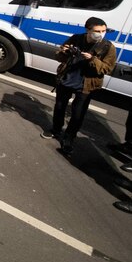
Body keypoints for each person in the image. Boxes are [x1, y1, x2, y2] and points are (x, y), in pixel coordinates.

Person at [40, 17, 116, 158]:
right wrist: (65, 52)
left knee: (77, 114)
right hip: (67, 79)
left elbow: (107, 69)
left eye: (104, 31)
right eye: (97, 31)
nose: (101, 34)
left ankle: (69, 138)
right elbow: (59, 55)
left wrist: (92, 59)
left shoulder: (107, 47)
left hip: (86, 85)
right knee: (60, 106)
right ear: (88, 31)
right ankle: (56, 130)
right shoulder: (76, 38)